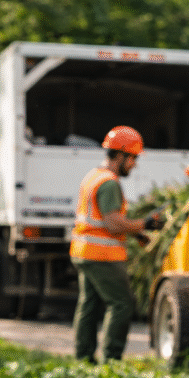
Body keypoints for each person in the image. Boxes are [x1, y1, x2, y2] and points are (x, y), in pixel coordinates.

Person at [70, 125, 164, 363]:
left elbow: (103, 222)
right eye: (133, 158)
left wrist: (137, 235)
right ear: (120, 155)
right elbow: (113, 224)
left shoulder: (94, 176)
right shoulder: (110, 183)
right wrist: (145, 224)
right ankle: (111, 360)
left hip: (84, 251)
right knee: (121, 304)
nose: (134, 164)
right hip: (101, 255)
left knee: (89, 305)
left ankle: (83, 358)